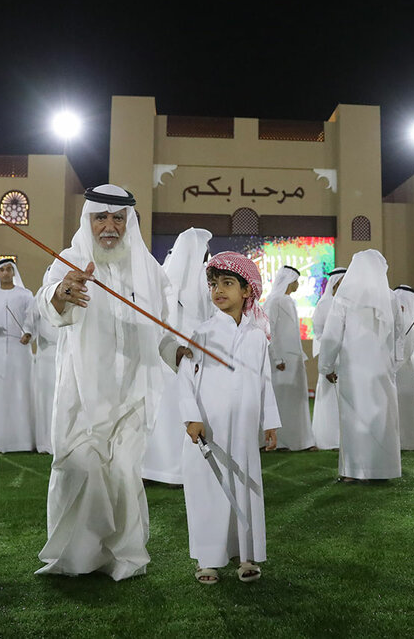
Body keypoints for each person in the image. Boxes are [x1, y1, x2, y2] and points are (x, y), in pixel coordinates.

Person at [34, 184, 173, 581]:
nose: (109, 226)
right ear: (88, 220)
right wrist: (63, 292)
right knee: (82, 468)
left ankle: (124, 556)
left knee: (125, 473)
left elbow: (166, 328)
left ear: (129, 222)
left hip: (131, 391)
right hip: (81, 390)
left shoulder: (148, 268)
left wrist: (181, 355)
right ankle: (77, 556)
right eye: (101, 218)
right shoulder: (71, 260)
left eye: (118, 218)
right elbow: (46, 303)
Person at [179, 252, 280, 584]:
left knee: (243, 489)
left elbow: (264, 380)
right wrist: (191, 418)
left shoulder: (257, 334)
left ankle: (245, 556)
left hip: (243, 431)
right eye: (213, 284)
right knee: (209, 490)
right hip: (210, 428)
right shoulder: (203, 332)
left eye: (227, 283)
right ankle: (207, 560)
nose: (218, 290)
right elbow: (186, 378)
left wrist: (269, 423)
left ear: (247, 290)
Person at [318, 249, 403, 482]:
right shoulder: (391, 297)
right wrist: (395, 364)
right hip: (382, 370)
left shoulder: (345, 296)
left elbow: (332, 336)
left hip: (354, 369)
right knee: (382, 418)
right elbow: (399, 335)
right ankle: (383, 470)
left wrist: (326, 366)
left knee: (354, 419)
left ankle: (355, 472)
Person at [144, 227, 214, 486]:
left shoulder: (171, 279)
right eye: (205, 251)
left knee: (168, 412)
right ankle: (173, 471)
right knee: (179, 410)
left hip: (173, 355)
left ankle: (157, 469)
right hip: (182, 355)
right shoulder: (189, 281)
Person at [0, 258, 35, 452]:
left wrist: (28, 332)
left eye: (10, 269)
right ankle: (0, 441)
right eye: (3, 270)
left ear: (14, 272)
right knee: (0, 394)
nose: (7, 273)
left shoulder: (25, 294)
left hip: (21, 350)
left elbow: (31, 317)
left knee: (22, 392)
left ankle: (25, 441)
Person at [263, 265, 316, 451]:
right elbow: (268, 331)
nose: (297, 285)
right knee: (282, 401)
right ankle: (281, 441)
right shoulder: (274, 301)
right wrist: (277, 358)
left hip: (292, 360)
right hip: (281, 361)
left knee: (294, 400)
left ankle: (297, 441)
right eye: (296, 281)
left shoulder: (287, 300)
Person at [311, 267, 346, 450]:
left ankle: (342, 438)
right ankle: (329, 439)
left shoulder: (347, 303)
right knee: (329, 398)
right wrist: (328, 361)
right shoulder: (325, 304)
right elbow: (320, 332)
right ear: (335, 283)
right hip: (330, 357)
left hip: (346, 358)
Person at [31, 264, 60, 454]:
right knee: (46, 398)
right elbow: (30, 324)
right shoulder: (39, 297)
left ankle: (60, 441)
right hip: (46, 356)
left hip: (66, 356)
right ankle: (45, 443)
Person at [393, 285, 414, 451]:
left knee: (403, 409)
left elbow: (407, 349)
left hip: (400, 372)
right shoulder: (403, 322)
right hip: (400, 373)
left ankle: (404, 442)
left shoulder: (410, 324)